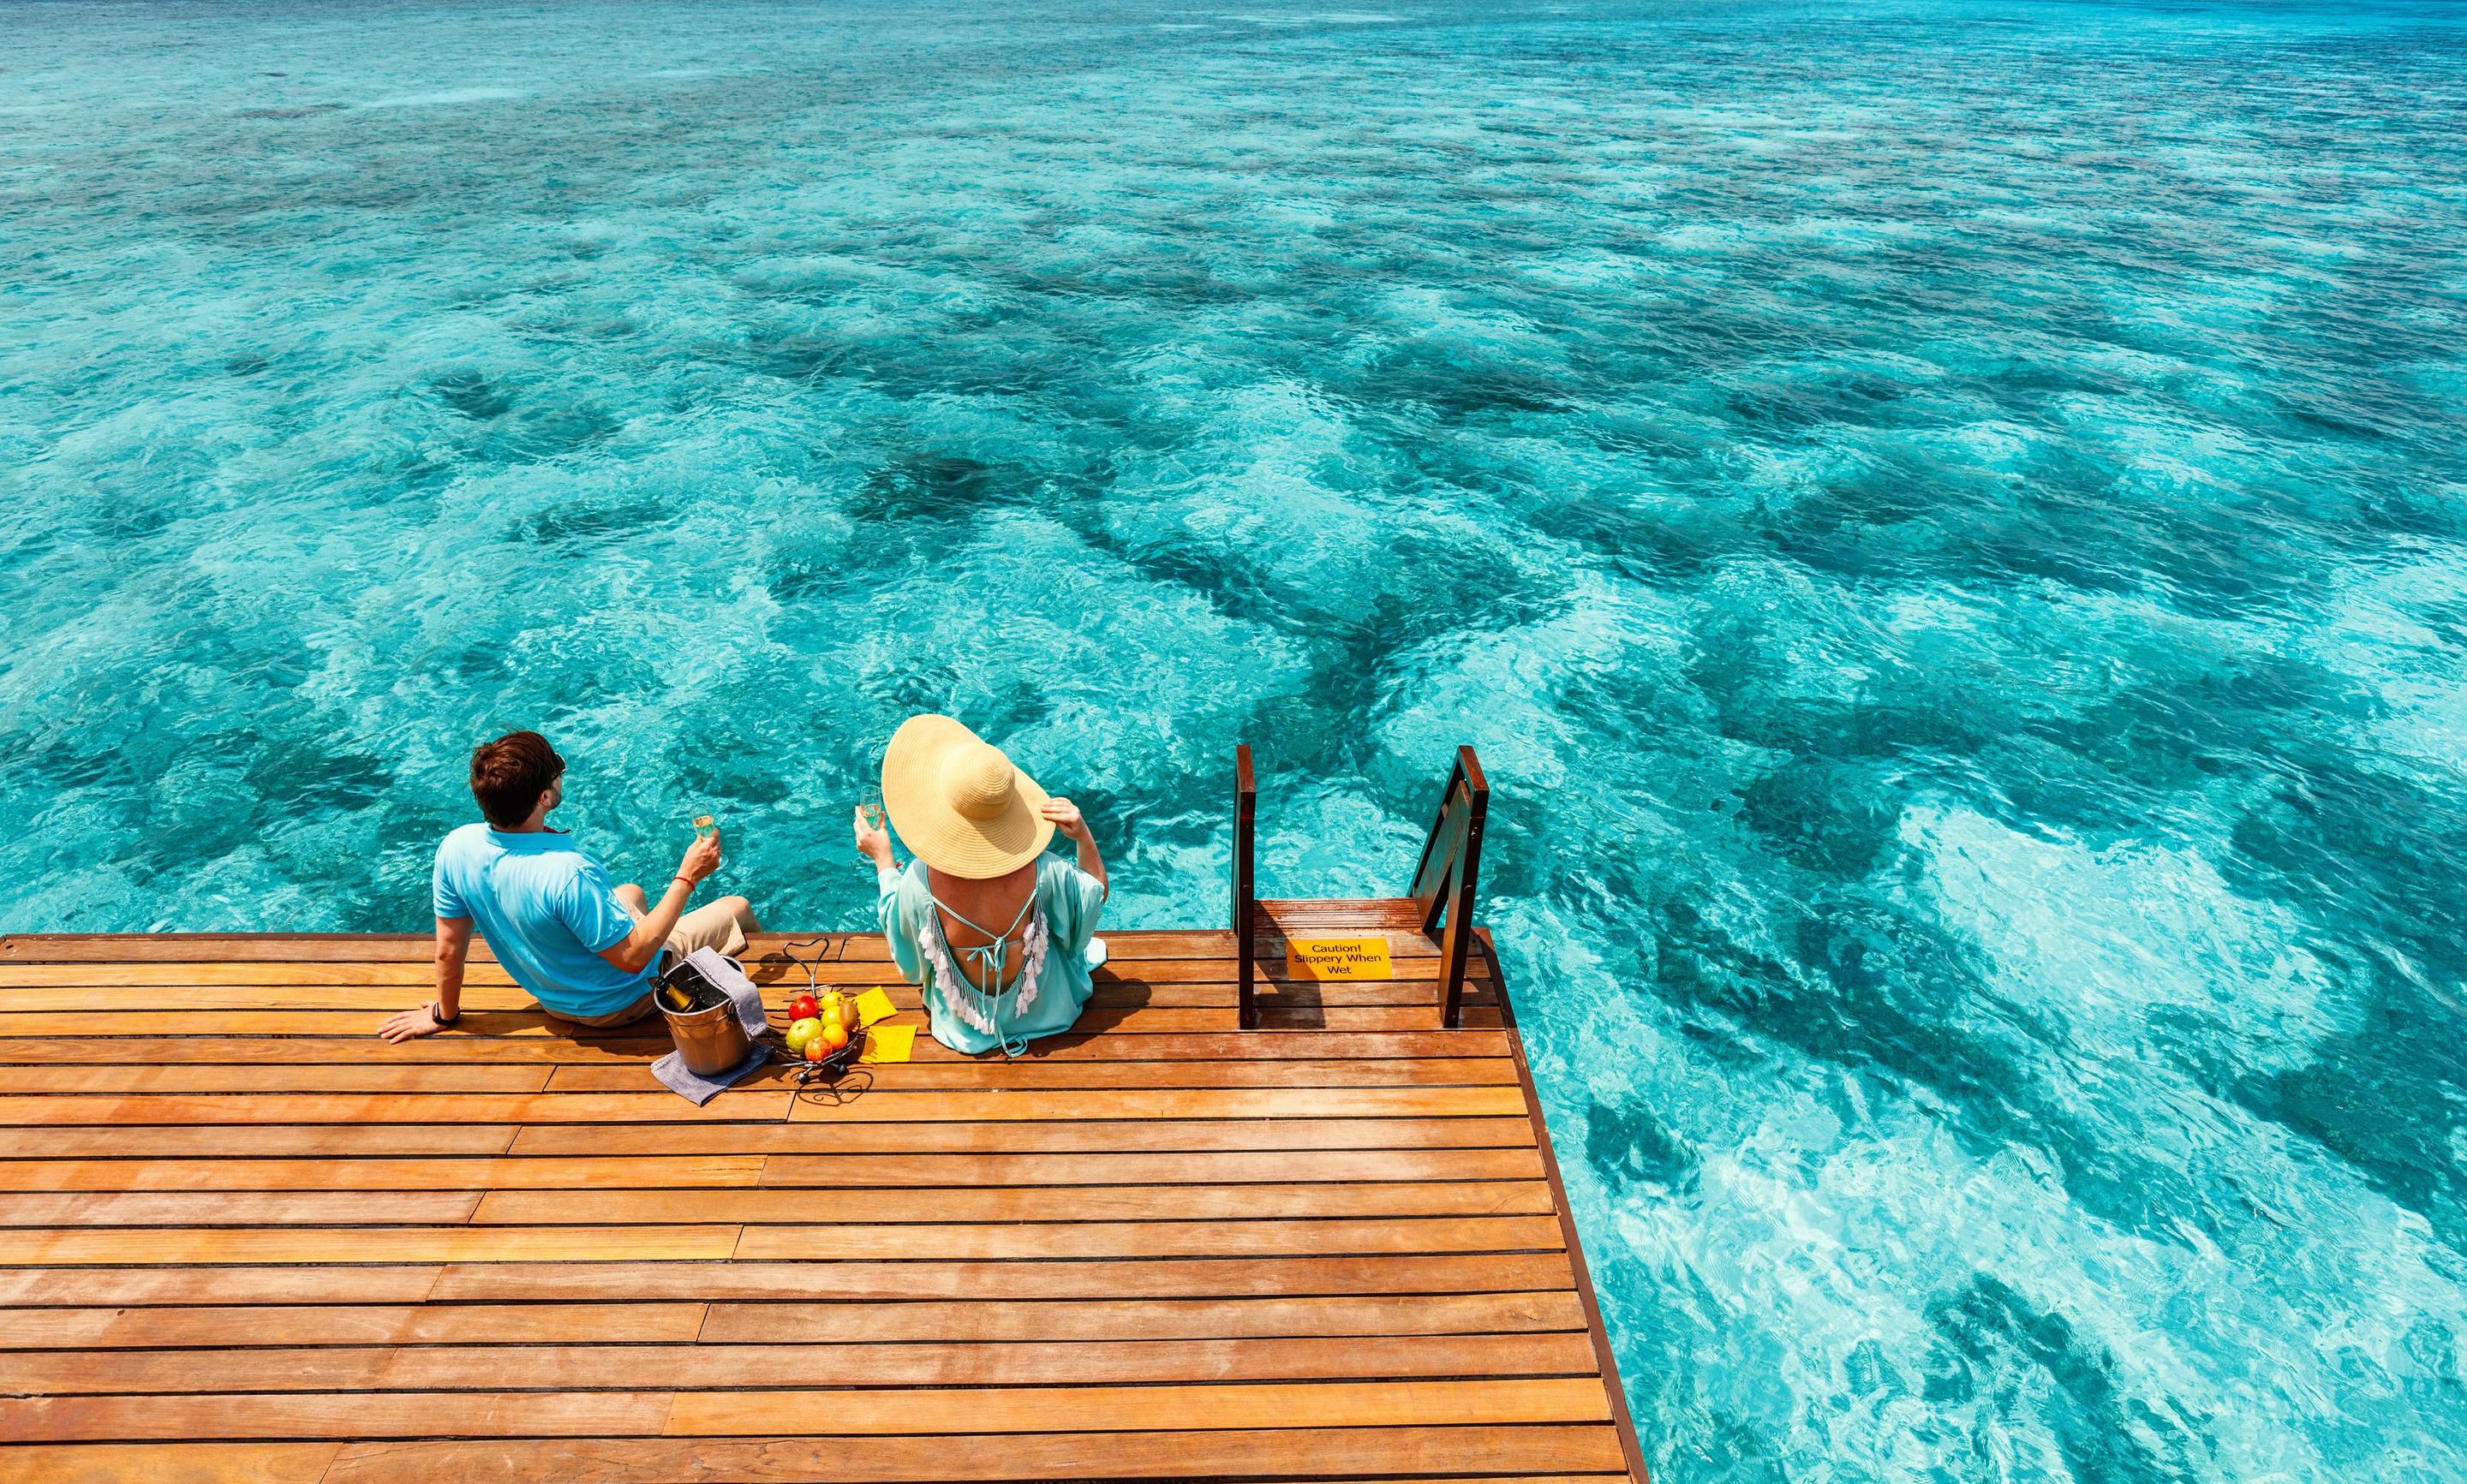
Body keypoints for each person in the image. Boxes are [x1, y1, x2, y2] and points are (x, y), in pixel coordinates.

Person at [379, 730, 762, 1042]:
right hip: (619, 1002)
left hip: (556, 999)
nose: (561, 773)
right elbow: (630, 961)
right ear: (545, 797)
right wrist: (688, 876)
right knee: (738, 907)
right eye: (557, 769)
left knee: (629, 893)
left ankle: (664, 942)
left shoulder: (456, 846)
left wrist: (443, 1016)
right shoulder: (567, 874)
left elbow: (448, 950)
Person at [852, 714, 1107, 1057]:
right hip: (1053, 1015)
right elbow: (1093, 897)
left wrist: (884, 863)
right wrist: (1084, 837)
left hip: (963, 1031)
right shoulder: (1046, 870)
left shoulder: (919, 880)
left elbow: (911, 968)